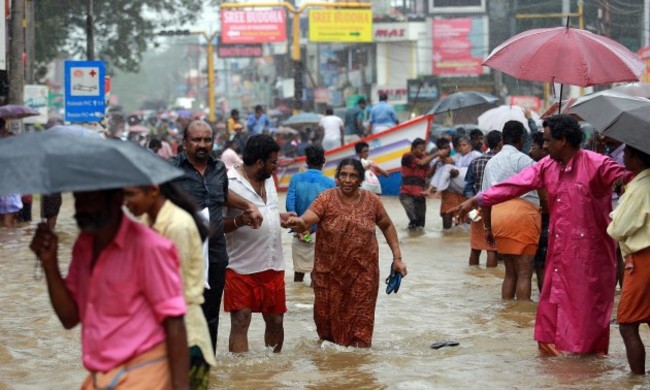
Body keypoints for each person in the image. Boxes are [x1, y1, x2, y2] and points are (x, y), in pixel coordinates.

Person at [453, 115, 632, 355]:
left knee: (586, 319)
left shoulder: (598, 164)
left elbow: (633, 180)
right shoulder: (547, 166)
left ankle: (585, 371)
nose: (544, 146)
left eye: (548, 141)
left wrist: (624, 183)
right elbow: (513, 186)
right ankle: (554, 373)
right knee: (550, 316)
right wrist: (475, 200)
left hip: (591, 259)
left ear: (564, 140)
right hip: (559, 257)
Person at [30, 189, 189, 389]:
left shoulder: (150, 247)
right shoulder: (83, 246)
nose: (81, 207)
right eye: (79, 198)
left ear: (115, 199)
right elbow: (69, 318)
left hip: (145, 375)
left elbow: (175, 323)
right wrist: (49, 262)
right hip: (100, 377)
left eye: (90, 198)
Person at [283, 159, 408, 347]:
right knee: (326, 327)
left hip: (363, 275)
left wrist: (397, 258)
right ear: (337, 178)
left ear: (360, 179)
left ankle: (358, 369)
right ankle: (334, 369)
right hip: (329, 275)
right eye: (343, 175)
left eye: (353, 176)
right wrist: (298, 222)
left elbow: (387, 225)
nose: (348, 180)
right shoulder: (326, 199)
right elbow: (309, 218)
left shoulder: (372, 201)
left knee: (361, 327)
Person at [169, 120, 264, 353]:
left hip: (215, 252)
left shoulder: (219, 168)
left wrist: (248, 205)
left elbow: (223, 196)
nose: (202, 145)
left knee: (211, 313)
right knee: (181, 311)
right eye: (196, 140)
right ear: (184, 143)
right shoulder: (169, 169)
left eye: (207, 140)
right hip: (182, 251)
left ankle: (205, 367)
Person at [123, 182, 217, 388]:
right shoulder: (147, 221)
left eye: (130, 194)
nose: (126, 202)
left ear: (154, 190)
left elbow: (173, 293)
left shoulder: (177, 226)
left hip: (185, 340)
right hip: (157, 337)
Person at [223, 134, 294, 353]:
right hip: (240, 266)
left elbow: (266, 209)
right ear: (260, 163)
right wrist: (240, 220)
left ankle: (271, 370)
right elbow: (216, 225)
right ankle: (242, 377)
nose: (277, 166)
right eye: (274, 162)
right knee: (240, 321)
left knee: (276, 321)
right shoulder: (228, 181)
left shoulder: (269, 179)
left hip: (273, 264)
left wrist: (278, 217)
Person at [480, 121, 541, 300]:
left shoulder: (491, 163)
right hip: (524, 215)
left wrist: (487, 228)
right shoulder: (524, 160)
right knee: (524, 274)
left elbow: (484, 199)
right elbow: (541, 189)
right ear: (522, 139)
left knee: (509, 273)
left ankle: (507, 313)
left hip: (499, 216)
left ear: (502, 139)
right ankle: (521, 318)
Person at [607, 144, 650, 375]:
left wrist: (614, 216)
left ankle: (636, 379)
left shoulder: (640, 188)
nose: (622, 157)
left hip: (642, 259)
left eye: (626, 153)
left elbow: (619, 229)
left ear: (636, 158)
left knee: (627, 324)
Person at [286, 145, 336, 283]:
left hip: (299, 232)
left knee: (298, 274)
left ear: (306, 162)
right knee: (317, 276)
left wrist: (300, 227)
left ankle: (297, 303)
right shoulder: (330, 183)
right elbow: (331, 212)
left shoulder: (295, 179)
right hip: (320, 234)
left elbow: (290, 207)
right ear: (323, 161)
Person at [463, 130, 502, 267]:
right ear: (500, 143)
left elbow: (467, 187)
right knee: (492, 248)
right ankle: (489, 281)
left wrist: (474, 203)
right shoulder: (502, 161)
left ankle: (474, 278)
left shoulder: (475, 162)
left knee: (475, 247)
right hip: (497, 209)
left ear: (486, 143)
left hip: (477, 208)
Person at [399, 138, 447, 231]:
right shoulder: (407, 156)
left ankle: (414, 238)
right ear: (413, 148)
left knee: (421, 225)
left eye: (424, 150)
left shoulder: (424, 157)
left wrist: (436, 163)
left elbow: (428, 175)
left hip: (420, 194)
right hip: (406, 194)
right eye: (420, 150)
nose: (422, 152)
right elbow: (421, 163)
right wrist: (436, 154)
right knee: (414, 220)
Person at [529, 131, 550, 292]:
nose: (530, 151)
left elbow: (545, 199)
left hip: (546, 219)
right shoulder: (539, 167)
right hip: (543, 218)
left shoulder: (542, 168)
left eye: (534, 146)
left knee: (541, 263)